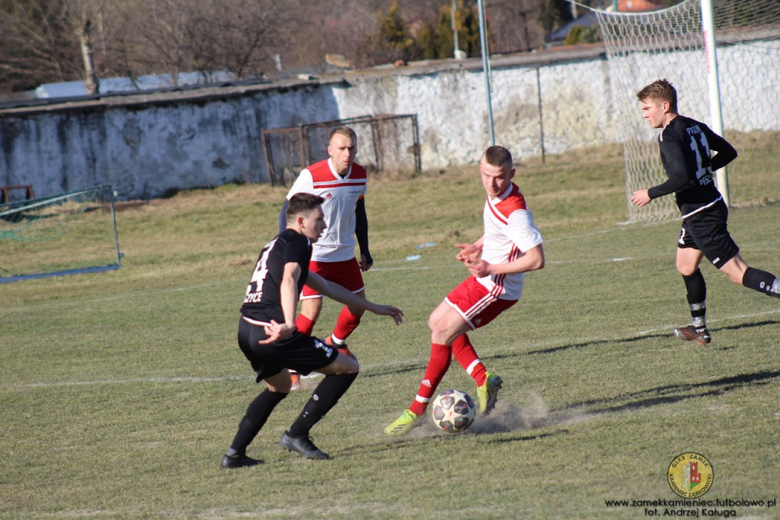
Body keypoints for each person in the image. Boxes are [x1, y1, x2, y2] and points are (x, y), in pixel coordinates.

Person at [221, 193, 403, 468]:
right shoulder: (298, 241)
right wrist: (289, 324)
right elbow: (289, 279)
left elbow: (326, 287)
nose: (325, 225)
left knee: (279, 387)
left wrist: (373, 307)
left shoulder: (277, 243)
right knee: (348, 367)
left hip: (248, 331)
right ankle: (297, 434)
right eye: (320, 219)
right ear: (302, 222)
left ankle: (234, 454)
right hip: (274, 332)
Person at [384, 145, 545, 436]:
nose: (491, 183)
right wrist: (478, 245)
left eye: (498, 177)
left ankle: (417, 410)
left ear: (511, 173)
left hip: (497, 286)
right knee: (435, 322)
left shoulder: (516, 211)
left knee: (443, 333)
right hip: (484, 277)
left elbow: (536, 259)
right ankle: (484, 379)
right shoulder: (497, 195)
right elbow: (498, 228)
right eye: (486, 175)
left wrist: (490, 268)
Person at [631, 79, 780, 345]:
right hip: (702, 209)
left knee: (737, 272)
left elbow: (680, 177)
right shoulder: (694, 125)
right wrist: (705, 170)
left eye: (647, 108)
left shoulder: (668, 135)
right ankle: (699, 328)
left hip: (702, 214)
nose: (645, 115)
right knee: (686, 266)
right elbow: (728, 151)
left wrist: (649, 193)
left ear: (664, 106)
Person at [280, 127, 372, 390]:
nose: (348, 153)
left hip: (344, 254)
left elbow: (360, 212)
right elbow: (287, 211)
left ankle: (336, 343)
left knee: (358, 306)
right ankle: (293, 368)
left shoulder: (360, 175)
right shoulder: (312, 176)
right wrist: (286, 248)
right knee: (311, 310)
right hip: (315, 254)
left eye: (352, 148)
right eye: (342, 148)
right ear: (330, 150)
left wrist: (364, 249)